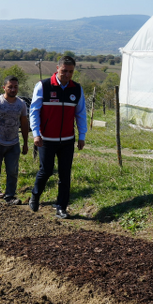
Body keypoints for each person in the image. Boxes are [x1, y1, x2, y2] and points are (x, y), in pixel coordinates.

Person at [28, 55, 87, 219]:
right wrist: (36, 134)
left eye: (71, 71)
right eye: (64, 71)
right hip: (46, 139)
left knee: (65, 174)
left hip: (68, 140)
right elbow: (34, 112)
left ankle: (61, 207)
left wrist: (82, 135)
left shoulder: (77, 89)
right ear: (57, 68)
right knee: (46, 171)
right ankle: (35, 195)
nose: (67, 74)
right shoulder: (43, 86)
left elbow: (81, 114)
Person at [0, 75, 29, 205]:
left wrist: (25, 143)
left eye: (15, 87)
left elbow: (24, 124)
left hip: (13, 143)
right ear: (4, 88)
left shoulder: (21, 104)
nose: (13, 89)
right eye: (10, 87)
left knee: (12, 171)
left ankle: (10, 196)